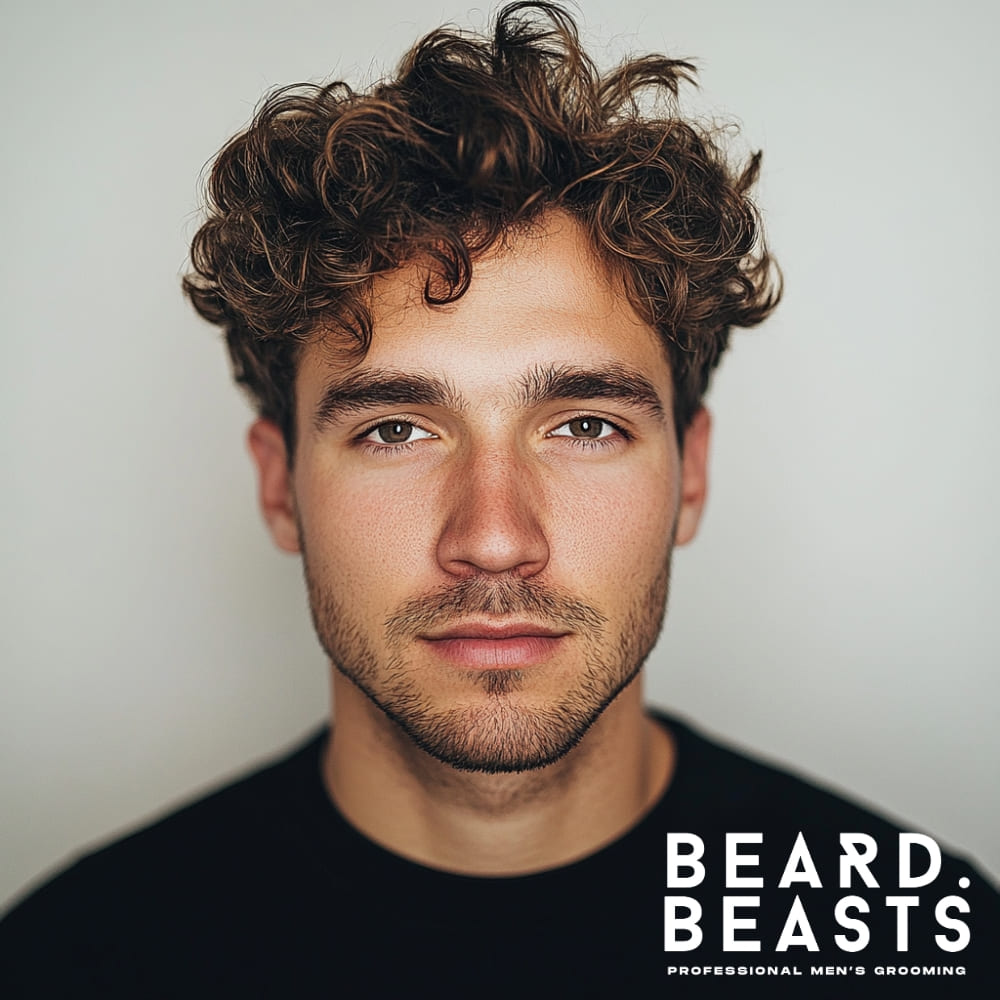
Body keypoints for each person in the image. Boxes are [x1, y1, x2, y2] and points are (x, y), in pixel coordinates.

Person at [2, 3, 997, 995]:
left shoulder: (922, 947)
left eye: (586, 426)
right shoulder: (70, 961)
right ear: (280, 486)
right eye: (395, 430)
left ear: (690, 475)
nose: (492, 538)